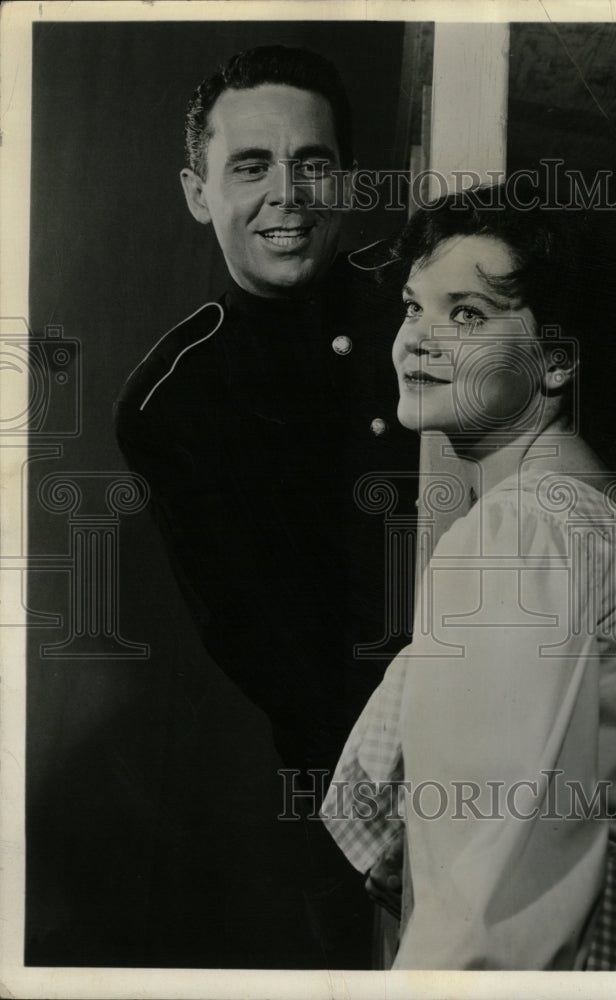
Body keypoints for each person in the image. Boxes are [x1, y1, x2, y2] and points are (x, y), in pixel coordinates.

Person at [321, 185, 616, 970]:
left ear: (556, 362)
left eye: (465, 315)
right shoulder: (606, 526)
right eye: (413, 307)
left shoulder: (518, 533)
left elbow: (491, 873)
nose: (417, 339)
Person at [114, 45, 418, 966]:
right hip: (353, 786)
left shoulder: (418, 296)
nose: (288, 194)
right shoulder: (174, 402)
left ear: (348, 182)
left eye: (313, 164)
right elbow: (271, 646)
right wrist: (385, 806)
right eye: (250, 167)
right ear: (197, 192)